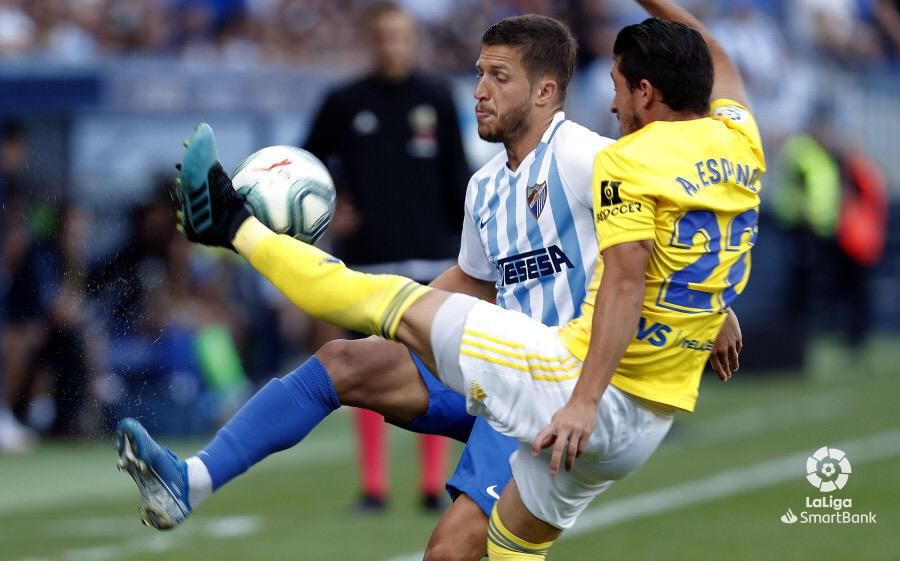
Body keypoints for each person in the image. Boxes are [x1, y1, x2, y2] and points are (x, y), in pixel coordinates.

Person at [122, 4, 757, 558]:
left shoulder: (587, 156)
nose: (479, 90)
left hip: (553, 388)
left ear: (545, 92)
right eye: (479, 73)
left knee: (449, 549)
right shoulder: (486, 186)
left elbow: (662, 242)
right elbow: (474, 281)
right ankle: (190, 481)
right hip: (500, 365)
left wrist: (714, 311)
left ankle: (233, 227)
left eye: (499, 77)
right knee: (346, 361)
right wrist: (409, 322)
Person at [301, 1, 471, 511]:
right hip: (367, 262)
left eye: (400, 37)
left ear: (412, 40)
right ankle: (373, 487)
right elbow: (304, 165)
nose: (391, 46)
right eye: (382, 37)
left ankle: (430, 485)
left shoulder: (437, 97)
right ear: (370, 41)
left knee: (435, 370)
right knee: (364, 372)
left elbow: (458, 176)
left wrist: (466, 249)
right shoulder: (344, 101)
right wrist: (330, 210)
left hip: (430, 259)